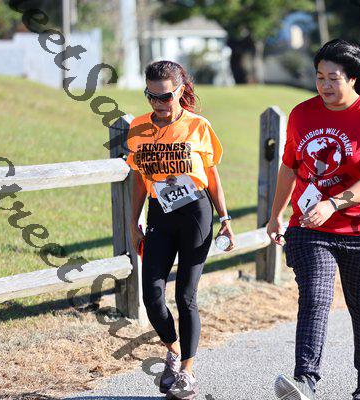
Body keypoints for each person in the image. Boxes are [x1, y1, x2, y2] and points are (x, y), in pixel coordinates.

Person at [267, 39, 360, 400]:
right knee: (315, 295)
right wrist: (275, 215)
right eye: (319, 77)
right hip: (309, 225)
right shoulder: (302, 114)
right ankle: (305, 381)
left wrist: (334, 204)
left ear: (352, 79)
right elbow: (290, 166)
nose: (324, 85)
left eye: (333, 78)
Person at [126, 60, 236, 399]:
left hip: (195, 214)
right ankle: (173, 352)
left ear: (180, 91)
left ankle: (187, 372)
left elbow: (212, 176)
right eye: (151, 96)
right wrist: (133, 222)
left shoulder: (198, 126)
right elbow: (138, 179)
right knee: (151, 296)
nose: (158, 103)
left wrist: (225, 219)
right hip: (159, 214)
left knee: (185, 296)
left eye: (165, 96)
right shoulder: (138, 128)